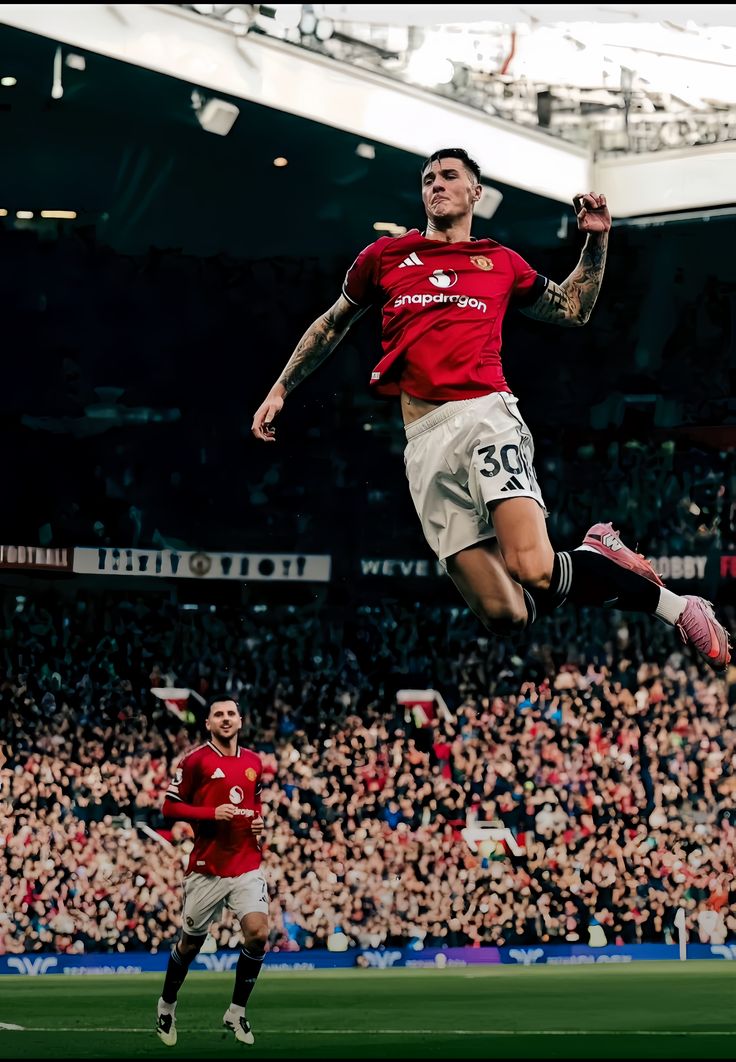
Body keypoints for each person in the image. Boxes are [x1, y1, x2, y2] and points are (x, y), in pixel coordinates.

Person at [251, 147, 730, 670]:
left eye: (449, 176)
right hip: (422, 446)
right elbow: (331, 323)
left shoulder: (499, 261)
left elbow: (573, 309)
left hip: (485, 419)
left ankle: (677, 608)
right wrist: (280, 388)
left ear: (475, 191)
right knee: (506, 614)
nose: (436, 184)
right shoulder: (385, 256)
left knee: (533, 568)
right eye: (428, 179)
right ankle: (593, 558)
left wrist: (596, 241)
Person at [155, 695, 268, 1047]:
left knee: (258, 934)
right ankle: (166, 1005)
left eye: (231, 713)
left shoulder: (254, 761)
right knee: (190, 945)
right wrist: (210, 814)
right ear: (208, 723)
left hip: (246, 864)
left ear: (240, 720)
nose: (226, 718)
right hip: (207, 869)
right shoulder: (195, 761)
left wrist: (258, 822)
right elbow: (169, 808)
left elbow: (255, 801)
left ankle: (236, 1011)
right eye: (218, 714)